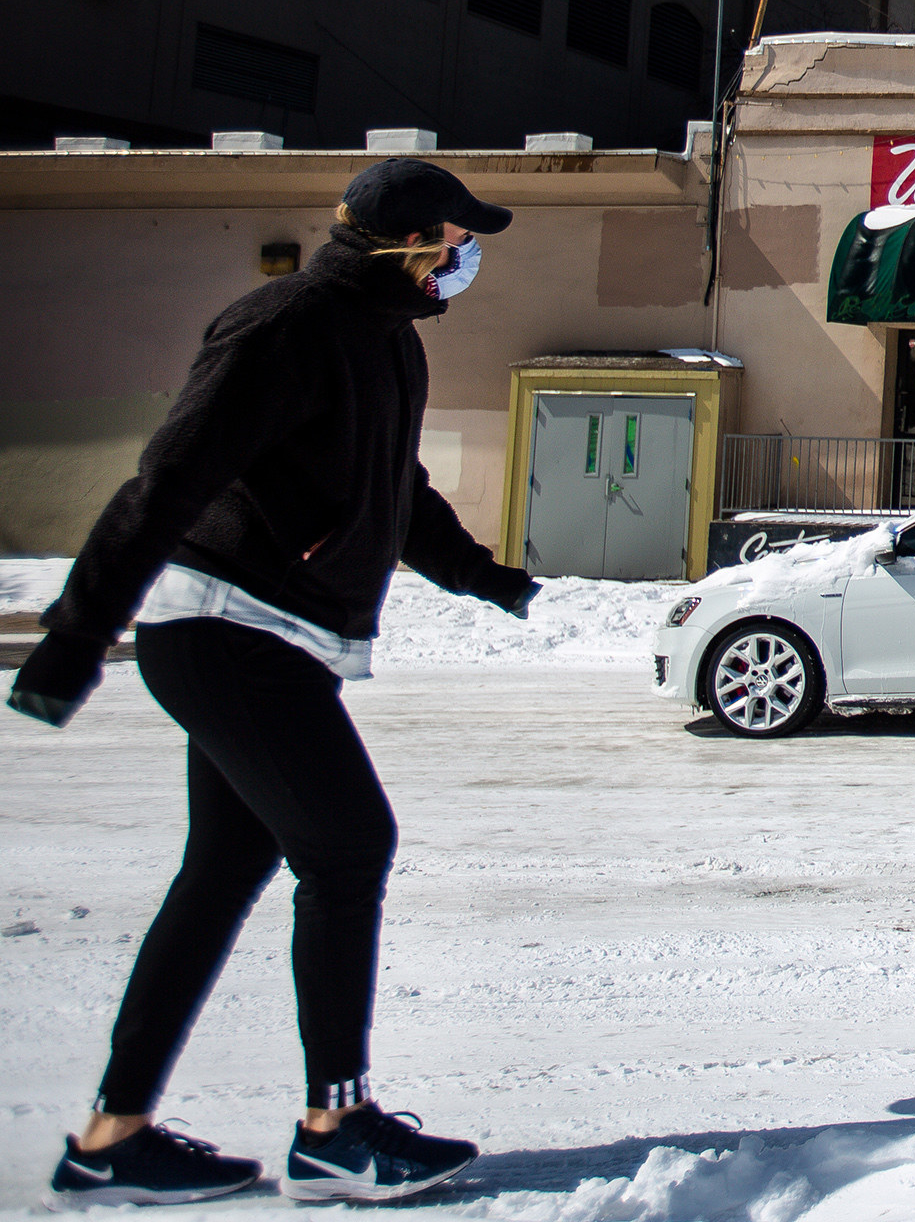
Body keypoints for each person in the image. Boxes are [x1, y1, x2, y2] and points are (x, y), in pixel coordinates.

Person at [9, 159, 541, 1205]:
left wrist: (481, 575)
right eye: (455, 235)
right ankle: (335, 1124)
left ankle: (112, 1138)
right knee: (350, 844)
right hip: (223, 626)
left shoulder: (387, 342)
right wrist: (76, 636)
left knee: (220, 874)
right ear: (407, 239)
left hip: (278, 638)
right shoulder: (285, 323)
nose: (465, 253)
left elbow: (400, 487)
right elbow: (169, 478)